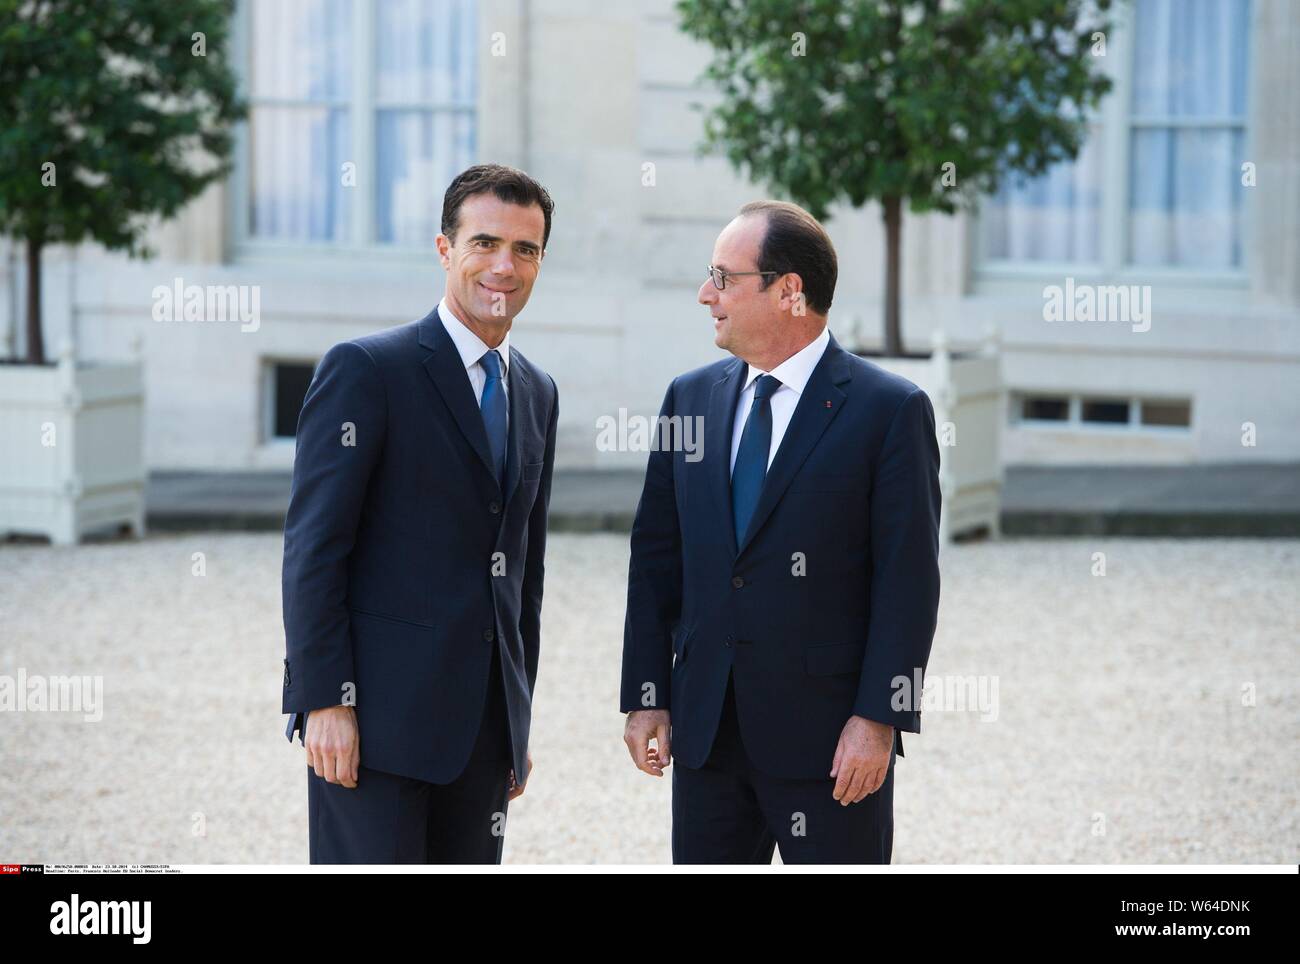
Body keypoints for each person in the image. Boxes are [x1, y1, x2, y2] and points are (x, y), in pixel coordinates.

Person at [621, 200, 941, 863]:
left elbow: (907, 583)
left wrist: (878, 719)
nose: (705, 294)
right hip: (706, 732)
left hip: (830, 743)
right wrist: (647, 695)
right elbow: (658, 557)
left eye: (724, 277)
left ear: (789, 291)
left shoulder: (889, 410)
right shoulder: (690, 397)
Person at [282, 164, 559, 863]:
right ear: (445, 250)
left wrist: (514, 723)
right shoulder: (367, 371)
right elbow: (314, 550)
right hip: (375, 730)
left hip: (482, 736)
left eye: (525, 250)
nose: (505, 266)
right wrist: (324, 702)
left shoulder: (537, 392)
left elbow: (524, 572)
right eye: (485, 243)